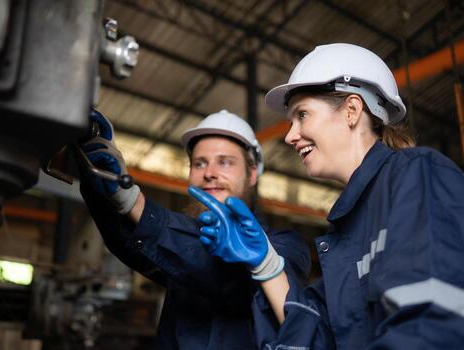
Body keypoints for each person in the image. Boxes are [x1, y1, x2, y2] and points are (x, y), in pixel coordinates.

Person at [190, 43, 464, 349]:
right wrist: (267, 265)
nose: (290, 135)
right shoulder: (347, 226)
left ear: (352, 110)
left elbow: (430, 324)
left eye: (302, 115)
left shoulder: (417, 176)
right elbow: (318, 335)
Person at [79, 109, 311, 349]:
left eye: (225, 162)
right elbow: (128, 240)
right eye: (199, 163)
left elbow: (221, 272)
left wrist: (134, 202)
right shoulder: (178, 249)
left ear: (252, 174)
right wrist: (98, 177)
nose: (209, 173)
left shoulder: (287, 246)